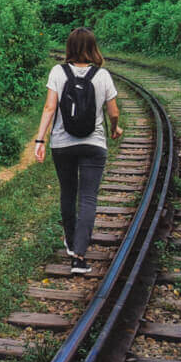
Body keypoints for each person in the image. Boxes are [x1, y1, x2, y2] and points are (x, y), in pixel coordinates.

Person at [33, 27, 122, 274]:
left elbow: (49, 108)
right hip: (93, 144)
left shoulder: (57, 72)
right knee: (88, 197)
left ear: (69, 47)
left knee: (68, 192)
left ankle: (71, 244)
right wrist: (116, 128)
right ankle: (80, 257)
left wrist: (40, 140)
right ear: (94, 47)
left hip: (62, 144)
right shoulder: (102, 75)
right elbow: (113, 112)